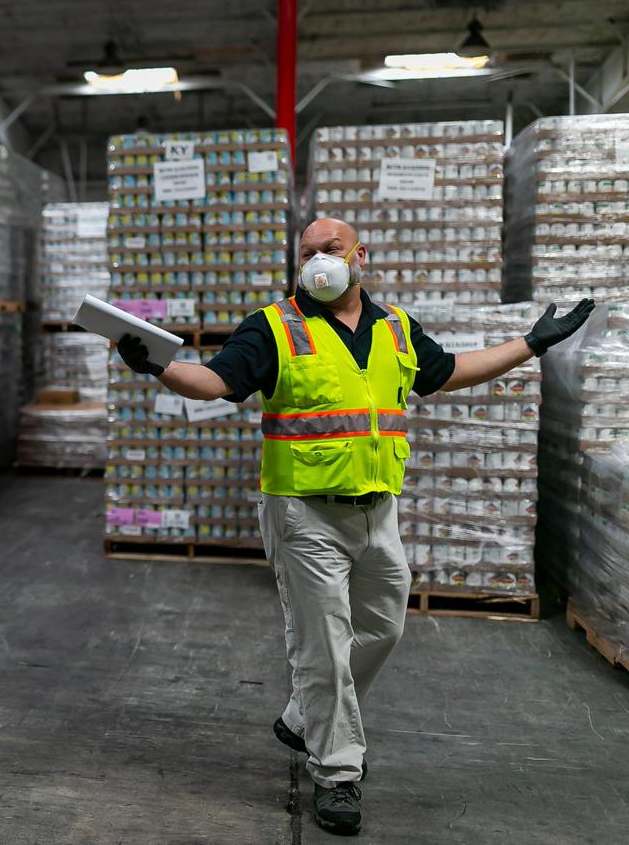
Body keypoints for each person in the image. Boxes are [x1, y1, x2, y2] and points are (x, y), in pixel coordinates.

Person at [116, 217, 594, 836]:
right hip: (304, 513)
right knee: (325, 649)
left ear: (359, 256)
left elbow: (446, 371)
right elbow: (216, 382)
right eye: (308, 253)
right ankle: (337, 774)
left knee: (383, 628)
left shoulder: (394, 326)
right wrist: (158, 365)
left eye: (331, 250)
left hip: (377, 510)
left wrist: (531, 344)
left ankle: (301, 715)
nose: (318, 261)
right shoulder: (275, 326)